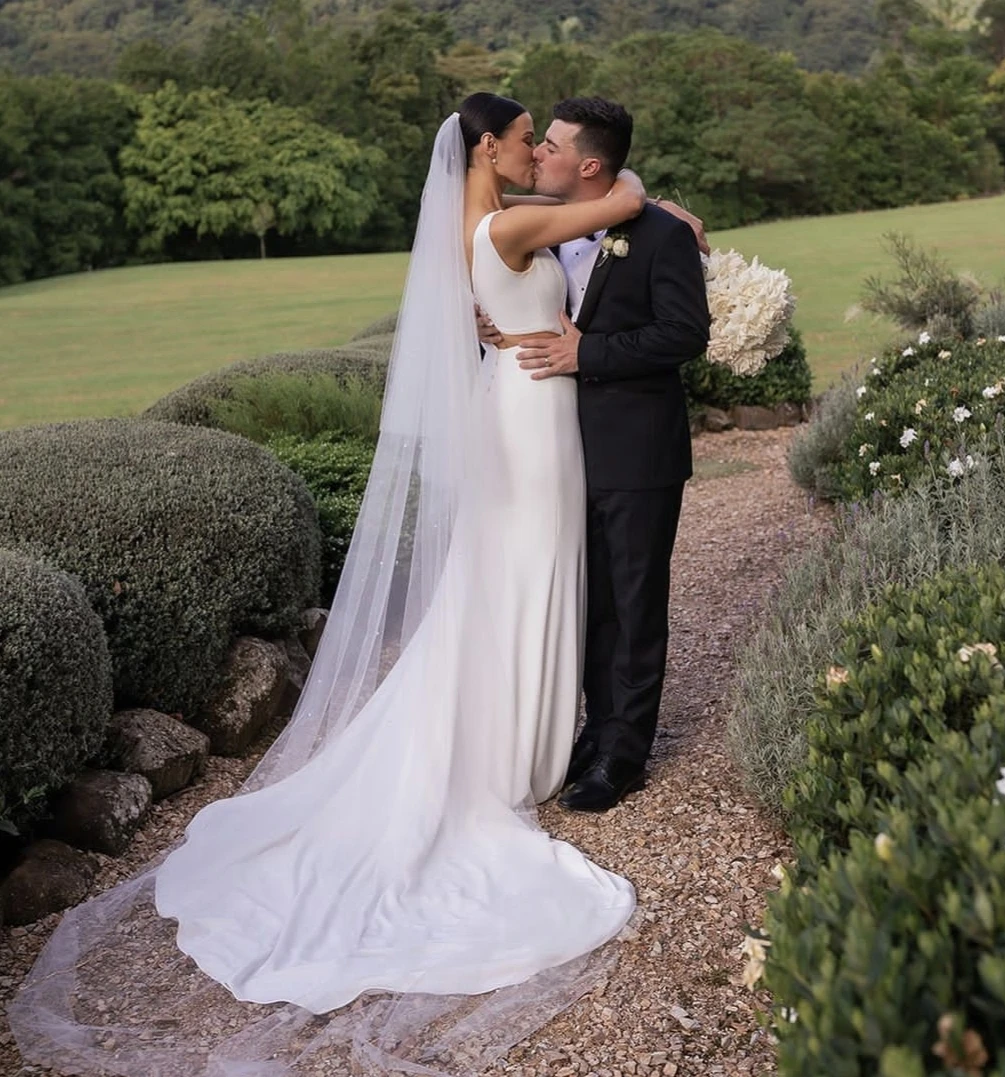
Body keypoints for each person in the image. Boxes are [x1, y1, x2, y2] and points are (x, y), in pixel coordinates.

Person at [8, 94, 664, 1077]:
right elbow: (619, 203)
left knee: (500, 587)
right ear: (488, 147)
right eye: (527, 137)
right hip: (535, 422)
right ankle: (513, 762)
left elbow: (494, 309)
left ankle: (515, 746)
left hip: (514, 404)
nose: (537, 150)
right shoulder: (516, 219)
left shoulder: (462, 227)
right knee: (523, 576)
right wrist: (643, 187)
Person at [481, 98, 711, 812]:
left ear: (588, 164)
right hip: (558, 445)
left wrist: (590, 353)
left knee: (635, 601)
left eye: (549, 146)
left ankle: (623, 752)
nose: (538, 154)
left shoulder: (661, 234)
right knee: (590, 601)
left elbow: (684, 334)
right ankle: (593, 727)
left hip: (638, 447)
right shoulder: (550, 231)